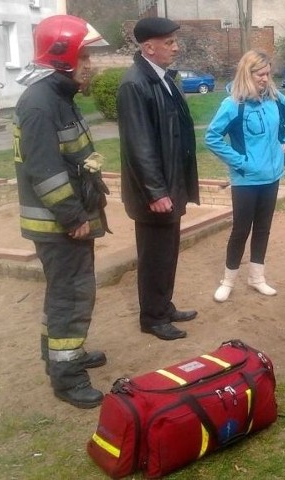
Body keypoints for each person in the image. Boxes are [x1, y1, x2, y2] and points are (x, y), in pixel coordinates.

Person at [13, 15, 110, 408]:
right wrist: (73, 217)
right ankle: (68, 376)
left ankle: (58, 355)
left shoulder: (56, 97)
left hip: (65, 222)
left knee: (64, 293)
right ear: (64, 56)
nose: (91, 64)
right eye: (85, 54)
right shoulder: (41, 104)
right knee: (71, 296)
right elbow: (46, 172)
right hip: (59, 225)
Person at [117, 17, 200, 341]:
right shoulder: (135, 84)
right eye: (168, 42)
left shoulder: (161, 79)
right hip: (154, 193)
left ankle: (163, 307)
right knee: (154, 256)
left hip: (169, 185)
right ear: (148, 47)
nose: (175, 46)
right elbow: (139, 145)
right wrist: (155, 191)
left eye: (173, 41)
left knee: (167, 252)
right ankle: (152, 317)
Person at [205, 49, 285, 303]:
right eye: (260, 74)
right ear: (248, 73)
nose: (265, 79)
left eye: (268, 74)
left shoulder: (275, 99)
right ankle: (228, 281)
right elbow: (212, 137)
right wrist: (240, 162)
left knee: (263, 229)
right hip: (246, 179)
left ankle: (257, 278)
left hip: (272, 176)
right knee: (241, 230)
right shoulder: (234, 104)